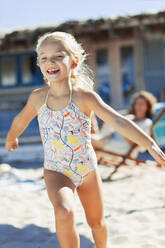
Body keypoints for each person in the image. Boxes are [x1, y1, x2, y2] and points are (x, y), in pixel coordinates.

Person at [5, 31, 165, 248]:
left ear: (74, 61)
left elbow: (118, 121)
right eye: (43, 57)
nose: (50, 62)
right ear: (40, 65)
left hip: (87, 169)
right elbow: (20, 120)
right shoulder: (38, 98)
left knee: (97, 223)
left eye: (57, 56)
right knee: (64, 211)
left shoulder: (84, 97)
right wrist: (11, 138)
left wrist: (149, 143)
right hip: (55, 170)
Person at [92, 90, 157, 158]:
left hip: (123, 148)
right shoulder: (130, 117)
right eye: (137, 103)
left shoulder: (146, 122)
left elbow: (139, 144)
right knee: (90, 138)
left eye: (142, 104)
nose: (139, 106)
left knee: (90, 141)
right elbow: (114, 132)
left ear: (148, 106)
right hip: (111, 141)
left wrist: (125, 131)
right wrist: (103, 137)